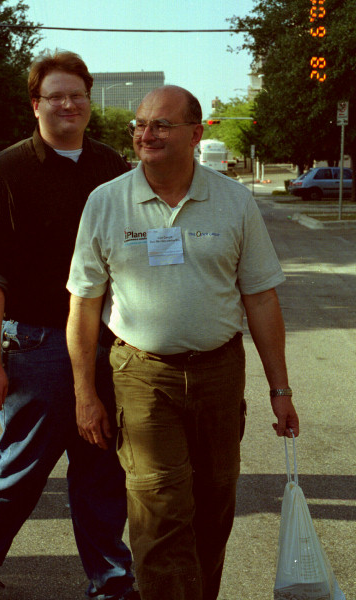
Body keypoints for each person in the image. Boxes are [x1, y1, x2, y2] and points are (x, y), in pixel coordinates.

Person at [66, 85, 300, 600]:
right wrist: (85, 394)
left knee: (213, 505)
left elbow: (261, 298)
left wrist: (280, 389)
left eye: (161, 125)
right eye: (140, 124)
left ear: (196, 134)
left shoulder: (234, 201)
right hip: (142, 376)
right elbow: (82, 305)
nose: (145, 134)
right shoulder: (106, 202)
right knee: (159, 509)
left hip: (219, 373)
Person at [0, 51, 138, 600]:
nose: (68, 104)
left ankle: (110, 581)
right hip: (38, 345)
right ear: (36, 105)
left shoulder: (111, 166)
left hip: (107, 341)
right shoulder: (5, 172)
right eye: (55, 96)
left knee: (103, 471)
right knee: (21, 469)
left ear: (89, 102)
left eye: (77, 95)